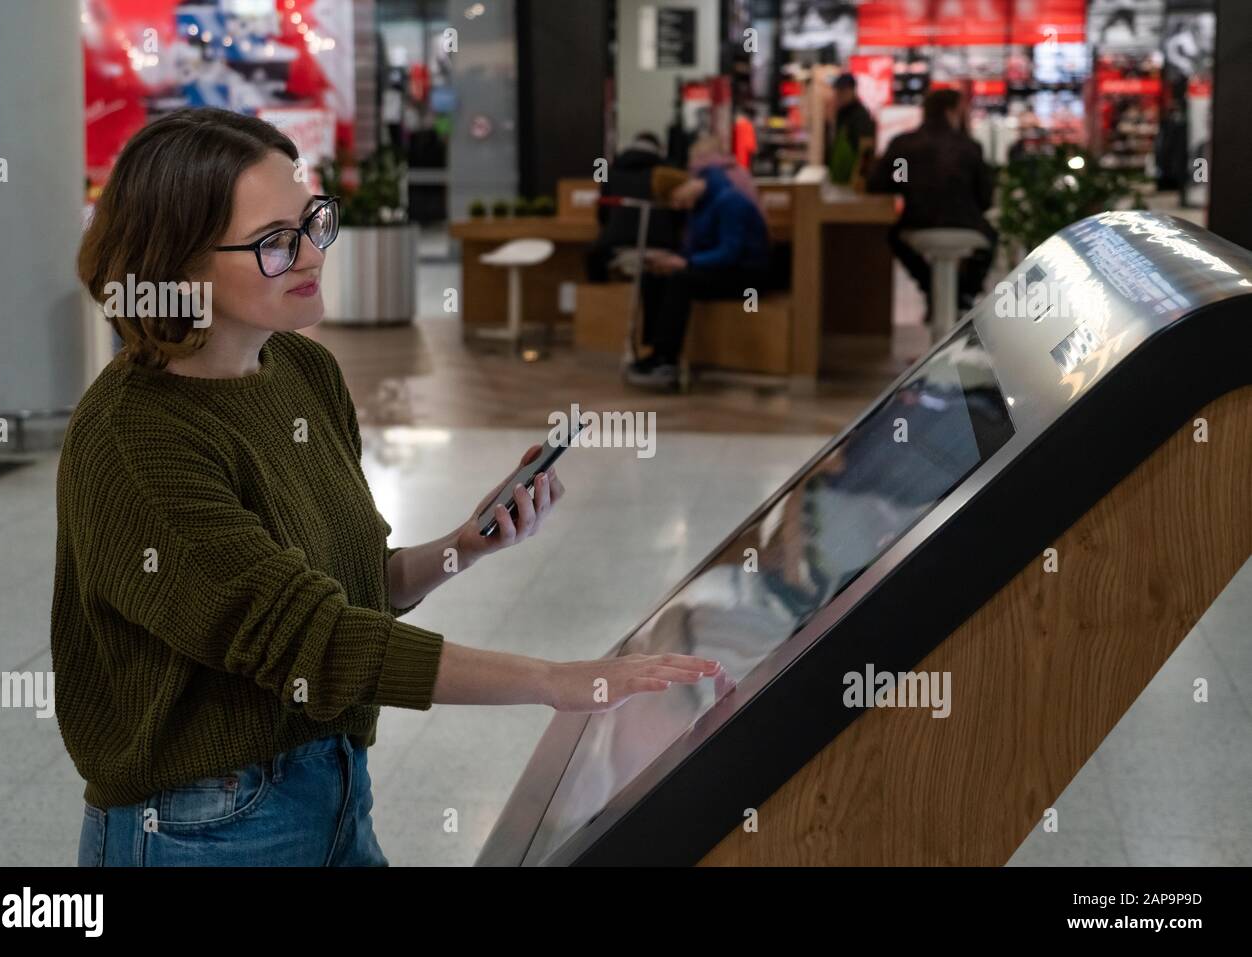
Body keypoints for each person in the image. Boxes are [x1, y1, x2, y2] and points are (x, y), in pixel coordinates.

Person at [59, 108, 722, 867]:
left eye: (311, 221)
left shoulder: (304, 371)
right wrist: (556, 679)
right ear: (178, 267)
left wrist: (461, 548)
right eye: (276, 242)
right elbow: (315, 641)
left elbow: (351, 585)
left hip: (334, 783)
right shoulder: (136, 438)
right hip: (201, 826)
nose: (312, 253)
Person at [626, 165, 771, 388]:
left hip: (747, 275)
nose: (677, 206)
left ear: (682, 186)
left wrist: (686, 262)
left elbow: (730, 251)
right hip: (723, 268)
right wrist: (672, 260)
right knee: (654, 276)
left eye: (676, 199)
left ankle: (667, 357)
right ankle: (656, 351)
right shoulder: (702, 205)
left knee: (680, 280)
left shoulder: (730, 201)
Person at [867, 88, 996, 319]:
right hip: (966, 225)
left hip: (917, 222)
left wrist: (910, 183)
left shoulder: (903, 145)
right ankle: (964, 293)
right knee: (991, 238)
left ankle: (930, 287)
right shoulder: (970, 147)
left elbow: (886, 184)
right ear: (953, 111)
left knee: (894, 236)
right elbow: (985, 198)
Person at [585, 131, 681, 282]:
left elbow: (603, 215)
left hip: (617, 243)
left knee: (592, 256)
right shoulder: (669, 174)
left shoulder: (609, 172)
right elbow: (678, 216)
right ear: (658, 149)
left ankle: (600, 300)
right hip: (663, 243)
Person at [828, 73, 876, 185]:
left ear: (852, 90)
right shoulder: (841, 113)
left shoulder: (860, 115)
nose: (838, 95)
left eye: (842, 91)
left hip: (851, 181)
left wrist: (859, 176)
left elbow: (866, 147)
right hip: (839, 179)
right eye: (837, 91)